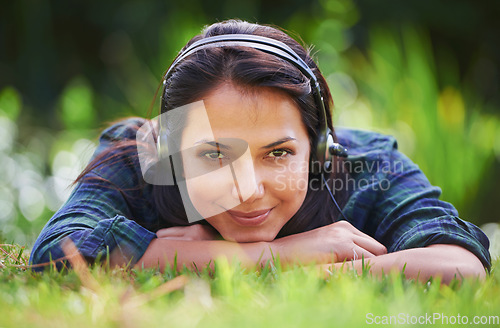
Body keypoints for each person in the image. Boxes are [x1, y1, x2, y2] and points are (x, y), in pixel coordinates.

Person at [30, 20, 490, 283]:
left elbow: (459, 264)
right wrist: (279, 256)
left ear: (320, 147)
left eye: (278, 153)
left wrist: (313, 274)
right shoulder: (137, 158)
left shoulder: (369, 167)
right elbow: (58, 252)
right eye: (212, 155)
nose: (247, 191)